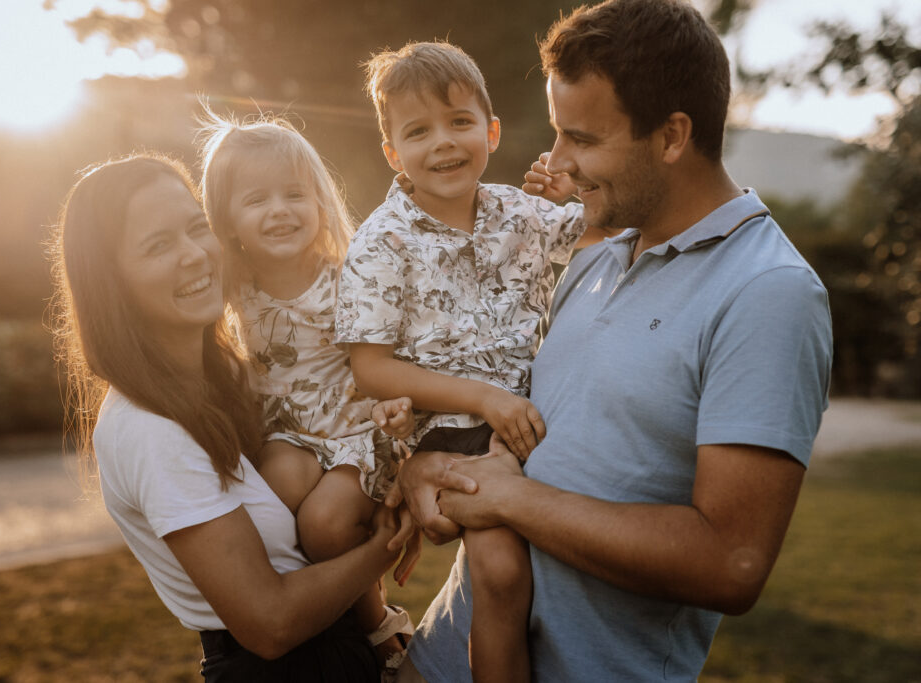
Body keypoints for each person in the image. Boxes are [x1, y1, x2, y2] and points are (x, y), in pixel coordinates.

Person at [394, 1, 834, 681]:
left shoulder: (768, 293)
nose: (559, 161)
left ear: (672, 135)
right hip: (436, 659)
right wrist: (432, 467)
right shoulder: (595, 260)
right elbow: (526, 437)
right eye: (557, 134)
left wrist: (514, 500)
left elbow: (731, 563)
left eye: (583, 139)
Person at [50, 153, 416, 682]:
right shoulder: (150, 429)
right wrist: (384, 547)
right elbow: (271, 625)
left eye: (197, 228)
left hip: (342, 648)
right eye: (158, 246)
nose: (195, 255)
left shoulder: (233, 375)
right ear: (113, 281)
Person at [336, 41, 609, 683]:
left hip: (541, 409)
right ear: (392, 152)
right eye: (418, 131)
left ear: (490, 131)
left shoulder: (518, 211)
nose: (443, 144)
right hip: (455, 429)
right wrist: (483, 399)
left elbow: (597, 232)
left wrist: (573, 188)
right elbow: (370, 369)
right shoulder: (381, 241)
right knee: (501, 570)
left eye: (459, 122)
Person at [198, 113, 419, 676]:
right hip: (289, 435)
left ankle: (378, 626)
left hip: (357, 433)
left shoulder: (348, 278)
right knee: (268, 499)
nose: (279, 210)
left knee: (322, 527)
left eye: (294, 194)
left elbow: (394, 351)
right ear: (226, 219)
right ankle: (307, 614)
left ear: (320, 202)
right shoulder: (233, 286)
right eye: (256, 199)